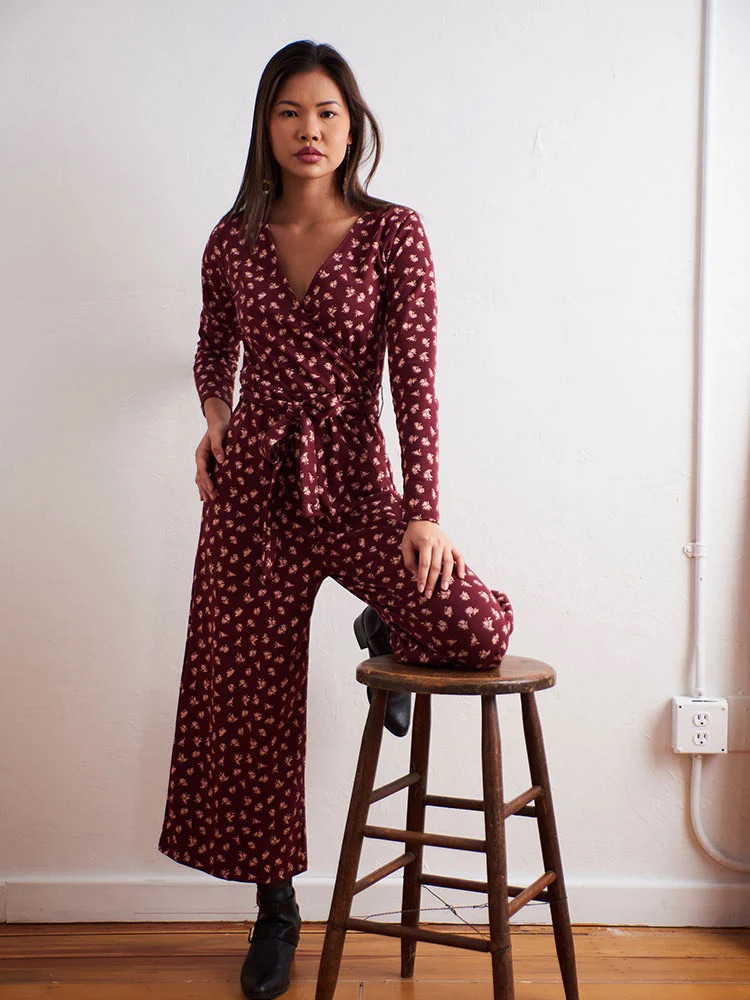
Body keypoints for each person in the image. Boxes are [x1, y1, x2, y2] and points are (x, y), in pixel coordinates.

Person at [157, 39, 515, 1000]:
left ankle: (386, 614)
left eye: (325, 113)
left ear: (351, 126)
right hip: (255, 494)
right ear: (265, 128)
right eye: (288, 113)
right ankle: (276, 910)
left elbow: (417, 382)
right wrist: (216, 422)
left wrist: (425, 511)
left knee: (478, 626)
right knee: (249, 702)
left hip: (358, 483)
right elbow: (209, 350)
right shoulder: (231, 239)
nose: (308, 131)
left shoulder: (396, 234)